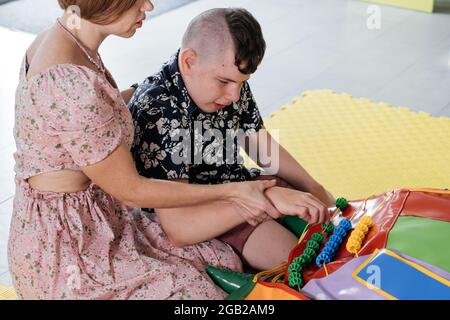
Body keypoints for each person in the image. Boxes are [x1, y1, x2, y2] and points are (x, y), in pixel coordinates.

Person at [8, 0, 286, 300]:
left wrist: (154, 88)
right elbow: (132, 190)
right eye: (137, 0)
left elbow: (97, 113)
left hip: (97, 219)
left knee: (222, 260)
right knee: (198, 294)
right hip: (68, 252)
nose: (149, 6)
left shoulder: (66, 37)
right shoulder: (70, 83)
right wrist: (235, 192)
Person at [128, 8, 335, 271]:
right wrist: (266, 199)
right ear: (189, 61)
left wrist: (312, 186)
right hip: (199, 213)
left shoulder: (226, 82)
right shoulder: (158, 109)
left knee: (321, 215)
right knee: (297, 262)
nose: (235, 96)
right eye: (224, 82)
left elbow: (261, 147)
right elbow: (180, 227)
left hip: (237, 184)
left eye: (241, 83)